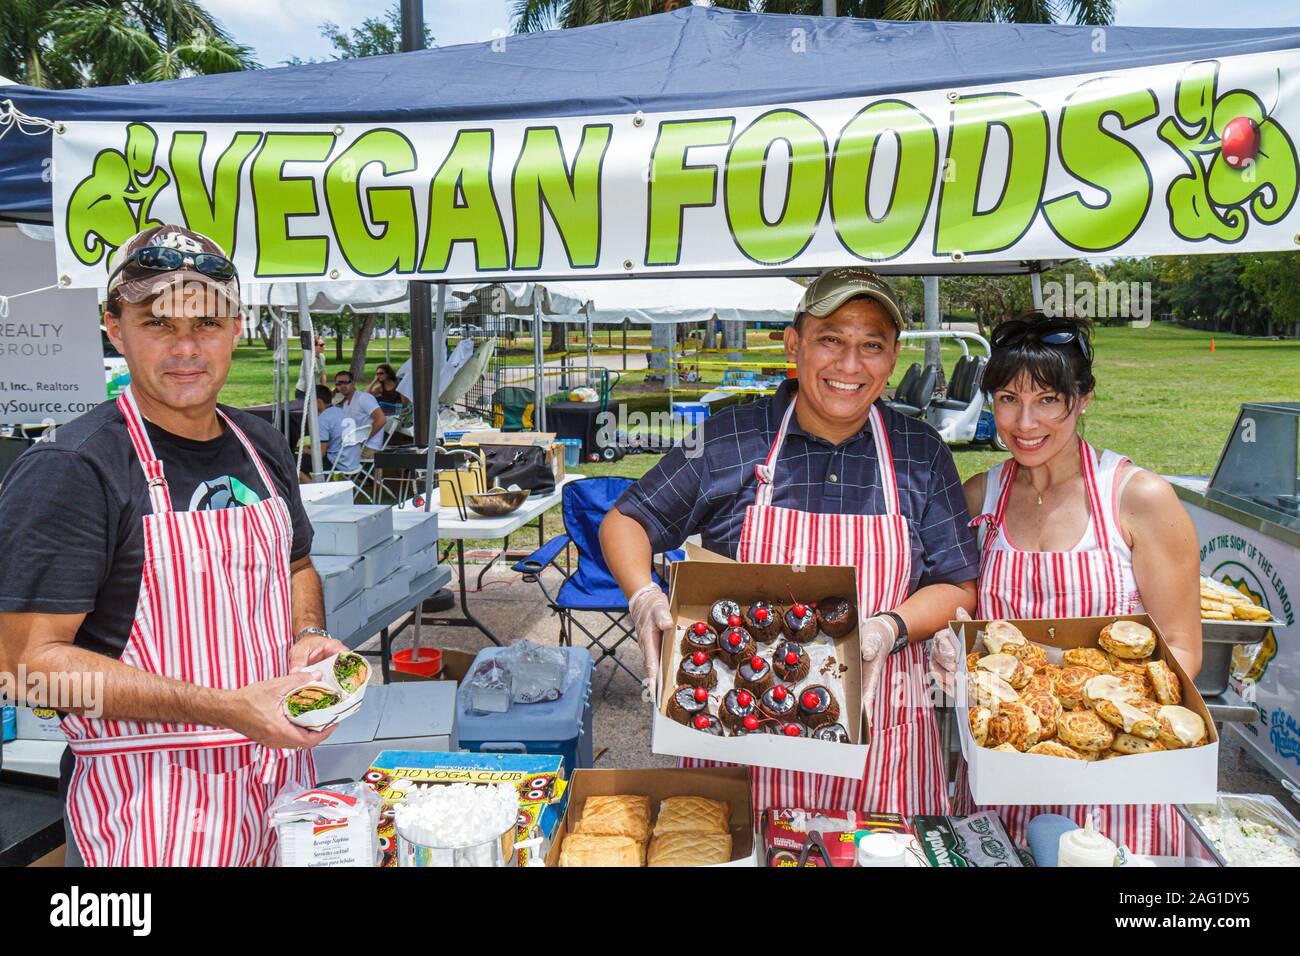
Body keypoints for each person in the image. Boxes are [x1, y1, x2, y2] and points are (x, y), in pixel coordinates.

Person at [0, 225, 346, 867]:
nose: (185, 349)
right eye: (158, 323)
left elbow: (296, 565)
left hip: (278, 795)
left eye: (206, 323)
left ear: (236, 328)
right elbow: (25, 671)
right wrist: (224, 708)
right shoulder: (74, 468)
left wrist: (304, 634)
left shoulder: (260, 444)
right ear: (114, 328)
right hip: (151, 817)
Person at [601, 268, 979, 819]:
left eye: (871, 346)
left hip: (879, 745)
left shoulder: (921, 451)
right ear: (793, 343)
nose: (850, 366)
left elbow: (956, 585)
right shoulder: (729, 435)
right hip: (734, 739)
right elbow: (626, 521)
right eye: (831, 340)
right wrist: (643, 596)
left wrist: (885, 628)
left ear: (893, 357)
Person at [932, 311, 1202, 855]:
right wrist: (952, 650)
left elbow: (1179, 649)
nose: (1024, 422)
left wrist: (1094, 722)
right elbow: (961, 609)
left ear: (1082, 399)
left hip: (1111, 780)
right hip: (1004, 768)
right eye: (1007, 398)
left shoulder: (1137, 498)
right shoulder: (981, 498)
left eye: (1047, 400)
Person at [298, 384, 358, 481]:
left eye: (309, 402)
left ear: (317, 401)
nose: (308, 405)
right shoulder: (342, 411)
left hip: (338, 463)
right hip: (353, 460)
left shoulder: (323, 419)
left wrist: (306, 451)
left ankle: (315, 488)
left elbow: (321, 453)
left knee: (293, 461)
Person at [334, 369, 387, 459]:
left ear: (353, 383)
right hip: (355, 446)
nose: (342, 386)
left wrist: (362, 440)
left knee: (329, 456)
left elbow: (381, 420)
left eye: (346, 382)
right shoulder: (346, 403)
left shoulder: (363, 398)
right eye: (339, 384)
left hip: (368, 447)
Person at [295, 334, 326, 399]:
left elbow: (323, 374)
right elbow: (309, 378)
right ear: (313, 346)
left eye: (324, 344)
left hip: (315, 390)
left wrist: (324, 389)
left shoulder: (322, 357)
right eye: (321, 345)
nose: (324, 346)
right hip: (303, 391)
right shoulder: (308, 359)